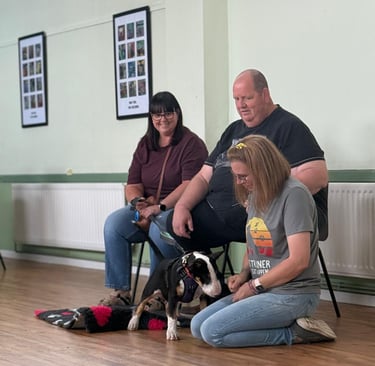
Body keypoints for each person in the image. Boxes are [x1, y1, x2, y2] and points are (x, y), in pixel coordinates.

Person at [190, 135, 336, 347]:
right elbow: (256, 243)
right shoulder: (256, 193)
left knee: (213, 332)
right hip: (264, 289)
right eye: (236, 176)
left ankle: (294, 334)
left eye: (243, 176)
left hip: (295, 294)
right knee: (197, 327)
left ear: (263, 169)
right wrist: (243, 275)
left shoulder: (294, 195)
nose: (239, 182)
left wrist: (254, 285)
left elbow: (299, 261)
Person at [163, 68, 329, 253]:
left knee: (262, 228)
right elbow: (203, 177)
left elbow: (318, 175)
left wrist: (266, 196)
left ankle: (256, 279)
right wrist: (182, 205)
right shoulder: (232, 130)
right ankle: (212, 279)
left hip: (264, 214)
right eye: (236, 99)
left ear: (265, 94)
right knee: (174, 224)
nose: (241, 105)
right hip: (219, 211)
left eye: (247, 98)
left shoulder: (289, 126)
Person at [99, 91, 208, 306]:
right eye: (157, 114)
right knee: (113, 225)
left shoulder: (191, 144)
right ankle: (121, 292)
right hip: (147, 207)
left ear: (177, 114)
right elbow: (132, 183)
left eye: (168, 113)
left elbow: (189, 185)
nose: (163, 119)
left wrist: (160, 207)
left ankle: (158, 293)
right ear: (151, 118)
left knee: (160, 231)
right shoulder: (145, 144)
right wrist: (137, 202)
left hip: (175, 208)